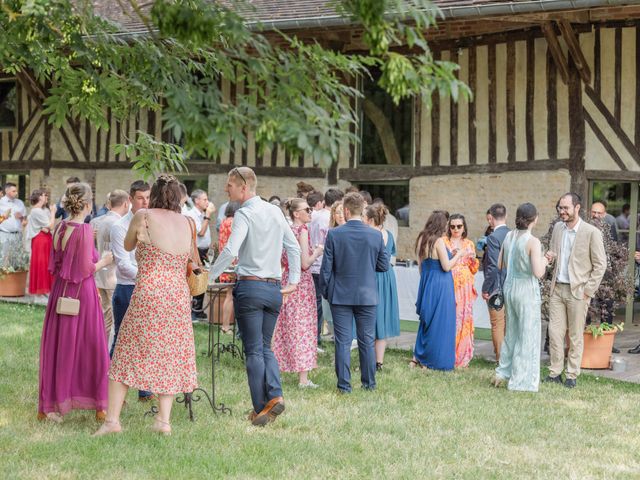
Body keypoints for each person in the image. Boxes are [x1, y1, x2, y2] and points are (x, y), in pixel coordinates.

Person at [94, 175, 197, 436]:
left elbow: (128, 245)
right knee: (170, 353)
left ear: (155, 196)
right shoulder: (189, 222)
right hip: (178, 295)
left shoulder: (144, 217)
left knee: (125, 351)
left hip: (150, 290)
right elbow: (193, 260)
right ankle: (163, 421)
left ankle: (113, 422)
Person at [208, 167, 301, 426]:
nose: (227, 189)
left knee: (253, 351)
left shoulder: (244, 214)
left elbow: (230, 250)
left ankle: (261, 408)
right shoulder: (274, 211)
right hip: (274, 289)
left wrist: (210, 276)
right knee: (265, 346)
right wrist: (293, 280)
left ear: (244, 187)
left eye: (230, 185)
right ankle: (276, 395)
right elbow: (292, 247)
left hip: (250, 288)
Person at [38, 183, 113, 423]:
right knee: (91, 346)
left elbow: (57, 263)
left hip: (61, 291)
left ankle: (51, 403)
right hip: (81, 294)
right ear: (89, 205)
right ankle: (96, 402)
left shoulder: (60, 227)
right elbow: (84, 269)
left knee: (60, 345)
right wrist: (105, 261)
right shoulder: (83, 230)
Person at [320, 192, 389, 393]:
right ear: (363, 211)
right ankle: (369, 384)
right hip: (367, 294)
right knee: (366, 340)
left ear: (347, 211)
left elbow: (326, 268)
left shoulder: (334, 234)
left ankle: (344, 386)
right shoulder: (375, 235)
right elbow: (384, 266)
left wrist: (326, 291)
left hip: (340, 294)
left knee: (342, 341)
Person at [544, 193, 606, 388]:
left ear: (577, 208)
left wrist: (588, 291)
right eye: (560, 208)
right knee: (554, 334)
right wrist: (548, 258)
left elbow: (600, 265)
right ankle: (554, 373)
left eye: (565, 208)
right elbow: (553, 254)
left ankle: (571, 375)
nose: (562, 212)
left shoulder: (591, 232)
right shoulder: (557, 229)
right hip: (557, 290)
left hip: (578, 292)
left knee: (575, 336)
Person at [492, 203, 549, 392]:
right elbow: (538, 272)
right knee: (528, 335)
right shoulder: (533, 241)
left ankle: (502, 372)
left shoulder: (509, 235)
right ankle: (521, 381)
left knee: (512, 333)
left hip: (510, 287)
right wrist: (547, 259)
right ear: (535, 219)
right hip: (525, 288)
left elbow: (500, 263)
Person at [109, 180, 154, 401]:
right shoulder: (119, 227)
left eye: (147, 197)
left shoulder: (155, 224)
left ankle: (145, 391)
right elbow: (124, 266)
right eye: (140, 198)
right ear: (130, 199)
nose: (145, 202)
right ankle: (109, 386)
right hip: (127, 290)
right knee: (121, 341)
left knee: (146, 339)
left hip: (148, 291)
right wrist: (149, 274)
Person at [272, 198, 324, 388]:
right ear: (296, 213)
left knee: (286, 326)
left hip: (286, 279)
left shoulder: (286, 231)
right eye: (306, 209)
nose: (310, 212)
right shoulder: (302, 231)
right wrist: (318, 252)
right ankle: (303, 379)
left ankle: (277, 370)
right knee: (303, 327)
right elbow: (304, 263)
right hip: (301, 283)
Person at [411, 211, 469, 370]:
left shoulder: (422, 238)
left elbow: (421, 265)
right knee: (440, 322)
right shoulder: (438, 242)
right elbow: (446, 266)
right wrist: (459, 255)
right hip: (441, 283)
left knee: (427, 320)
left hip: (427, 281)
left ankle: (420, 357)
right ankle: (434, 360)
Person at [91, 190, 129, 345]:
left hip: (100, 273)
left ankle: (101, 350)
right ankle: (107, 352)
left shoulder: (96, 221)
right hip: (113, 275)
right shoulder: (118, 223)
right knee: (114, 318)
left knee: (105, 316)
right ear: (126, 203)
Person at [364, 203, 400, 371]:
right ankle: (378, 362)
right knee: (382, 317)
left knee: (371, 317)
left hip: (373, 276)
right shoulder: (389, 235)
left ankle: (370, 362)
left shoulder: (369, 234)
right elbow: (391, 254)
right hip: (387, 276)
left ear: (370, 219)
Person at [444, 214, 480, 368]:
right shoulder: (444, 242)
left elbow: (474, 269)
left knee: (464, 318)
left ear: (464, 227)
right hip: (449, 283)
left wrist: (472, 260)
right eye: (453, 226)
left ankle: (462, 354)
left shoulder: (469, 244)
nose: (456, 229)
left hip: (465, 287)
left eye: (459, 226)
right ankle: (448, 353)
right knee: (450, 317)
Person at [309, 188, 344, 347]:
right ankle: (316, 338)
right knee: (322, 306)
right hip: (322, 264)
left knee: (315, 304)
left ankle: (316, 337)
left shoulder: (314, 215)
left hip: (312, 262)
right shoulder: (329, 222)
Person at [481, 203, 510, 362]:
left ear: (490, 218)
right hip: (512, 285)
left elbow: (493, 266)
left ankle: (500, 359)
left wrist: (486, 288)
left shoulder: (493, 237)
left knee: (497, 324)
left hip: (496, 286)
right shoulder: (513, 234)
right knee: (508, 324)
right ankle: (508, 356)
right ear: (505, 216)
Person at [184, 189, 215, 321]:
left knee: (202, 279)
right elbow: (200, 233)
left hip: (204, 250)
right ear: (196, 201)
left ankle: (199, 311)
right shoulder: (192, 215)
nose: (207, 202)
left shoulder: (201, 214)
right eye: (205, 199)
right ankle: (194, 311)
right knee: (196, 279)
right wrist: (208, 215)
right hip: (196, 251)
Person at [25, 189, 55, 295]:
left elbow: (46, 228)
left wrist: (47, 226)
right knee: (42, 263)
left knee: (45, 263)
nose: (46, 197)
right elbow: (50, 226)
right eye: (44, 195)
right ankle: (42, 290)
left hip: (43, 238)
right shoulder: (37, 211)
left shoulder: (39, 211)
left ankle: (45, 290)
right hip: (41, 240)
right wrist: (53, 213)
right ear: (39, 197)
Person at [217, 201, 240, 334]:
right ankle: (225, 326)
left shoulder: (224, 222)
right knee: (230, 295)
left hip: (224, 262)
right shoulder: (234, 223)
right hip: (233, 263)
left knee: (228, 294)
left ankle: (225, 326)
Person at [0, 182, 26, 260]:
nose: (16, 193)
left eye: (16, 191)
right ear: (7, 191)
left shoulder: (20, 203)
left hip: (18, 235)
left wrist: (21, 217)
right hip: (5, 235)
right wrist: (4, 216)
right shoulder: (0, 202)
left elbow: (25, 220)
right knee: (3, 258)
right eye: (13, 191)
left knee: (17, 260)